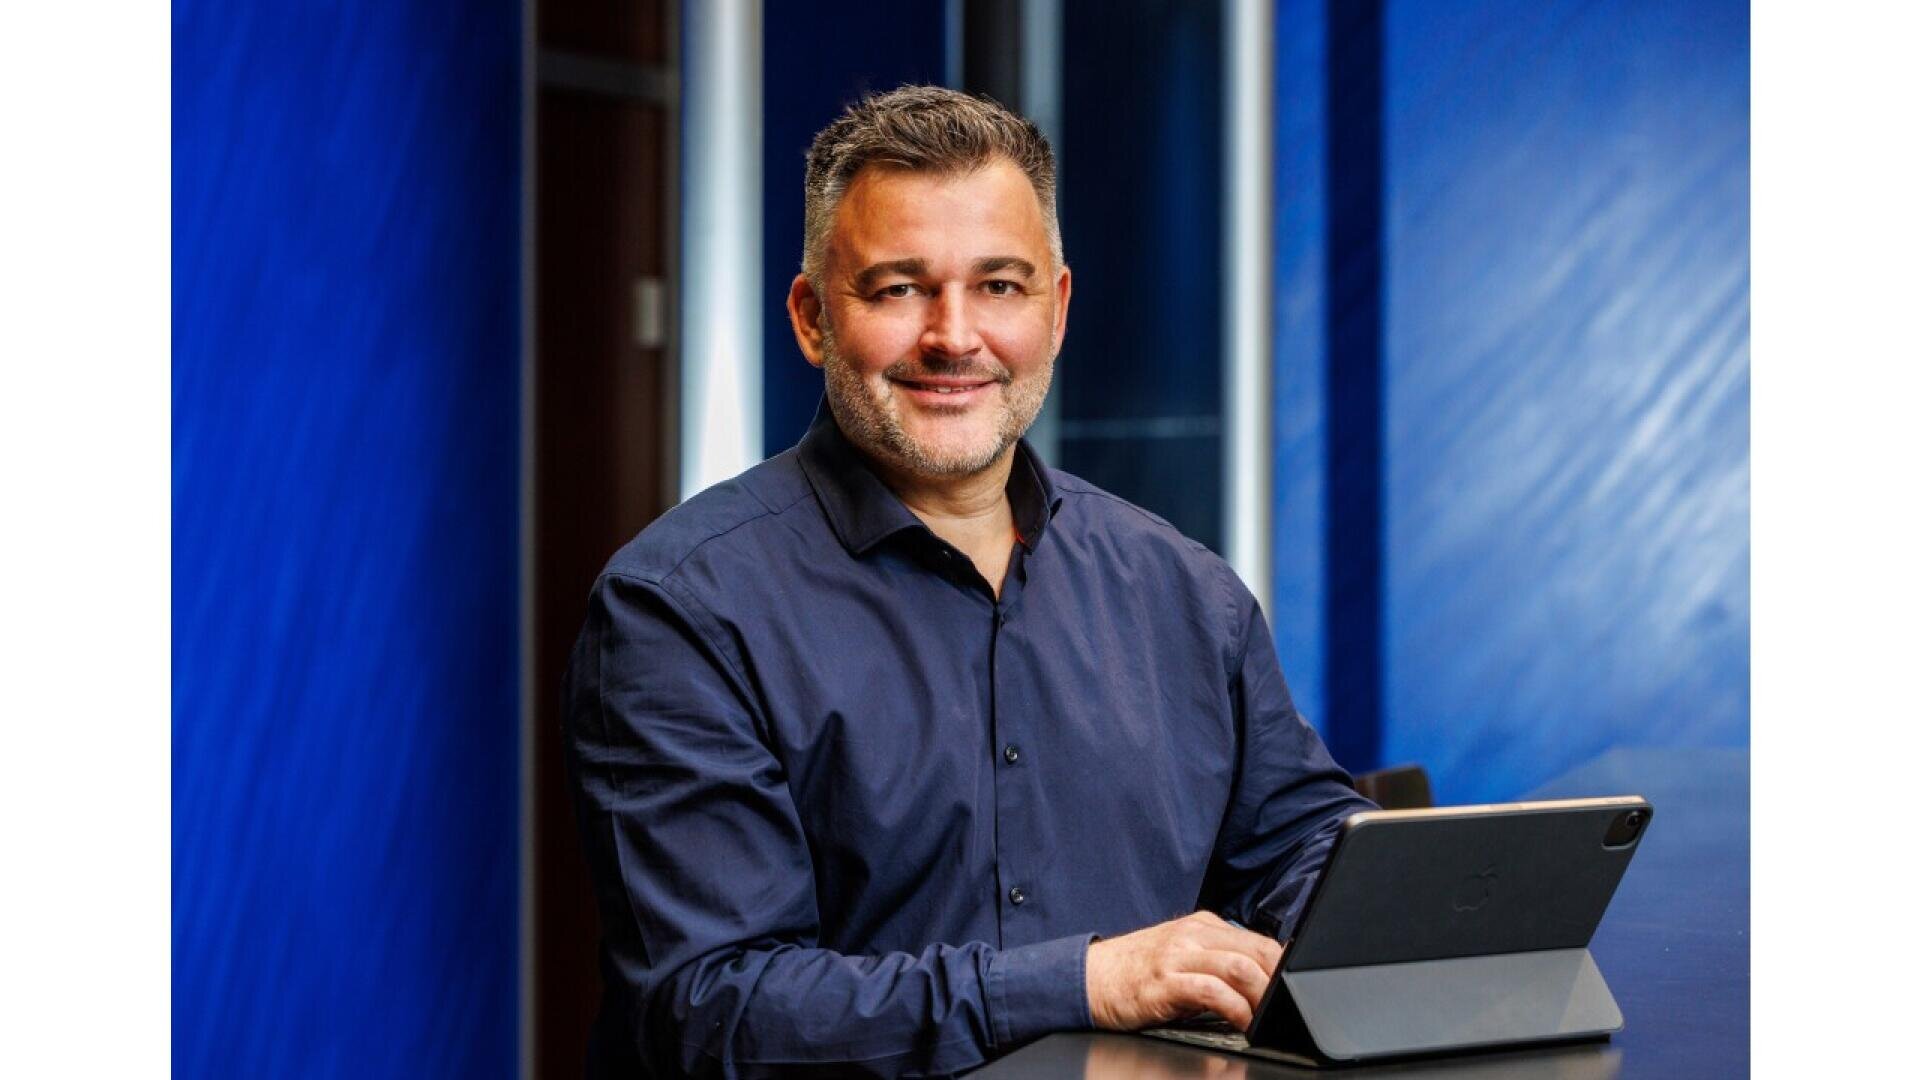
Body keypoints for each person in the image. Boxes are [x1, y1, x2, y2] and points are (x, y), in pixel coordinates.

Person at [563, 85, 1374, 1078]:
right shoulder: (680, 610)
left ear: (1057, 309)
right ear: (814, 317)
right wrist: (1081, 981)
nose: (955, 337)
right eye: (899, 288)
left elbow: (1296, 845)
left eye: (999, 286)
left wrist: (1400, 896)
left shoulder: (1185, 590)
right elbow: (713, 1008)